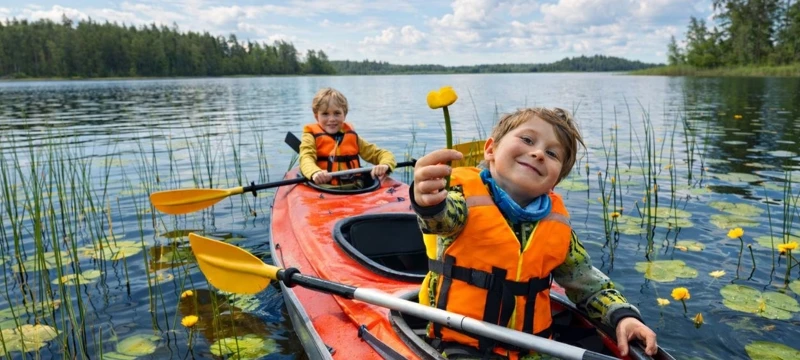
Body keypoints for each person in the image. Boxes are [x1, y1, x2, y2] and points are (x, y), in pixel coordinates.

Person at [410, 107, 658, 359]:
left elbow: (588, 285)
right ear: (491, 150)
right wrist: (427, 200)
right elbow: (440, 220)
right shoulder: (460, 200)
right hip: (461, 346)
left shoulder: (557, 226)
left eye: (552, 153)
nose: (538, 153)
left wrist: (623, 316)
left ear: (555, 180)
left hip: (534, 350)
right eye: (527, 140)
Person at [299, 87, 396, 187]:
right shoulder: (310, 137)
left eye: (337, 113)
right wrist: (315, 172)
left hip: (355, 187)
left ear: (344, 115)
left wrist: (385, 164)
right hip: (325, 186)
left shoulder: (352, 137)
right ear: (316, 117)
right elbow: (306, 158)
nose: (331, 119)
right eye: (325, 114)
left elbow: (382, 154)